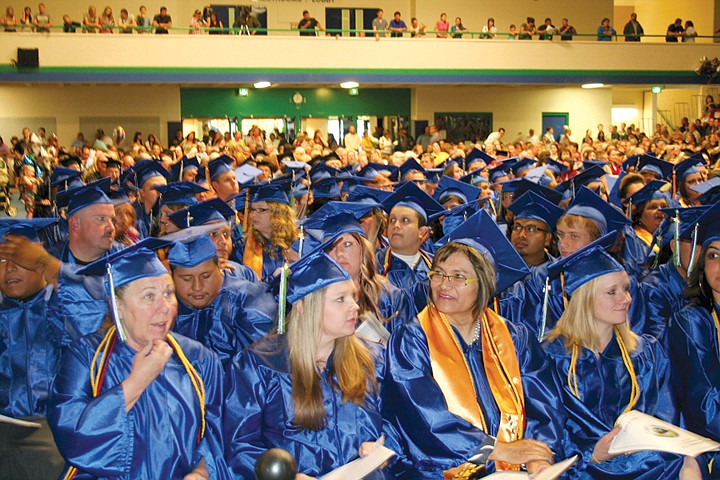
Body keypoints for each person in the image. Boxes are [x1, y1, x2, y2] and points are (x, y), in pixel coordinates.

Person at [383, 210, 564, 477]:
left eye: (458, 277)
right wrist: (495, 450)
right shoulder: (411, 340)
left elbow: (543, 406)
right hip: (436, 470)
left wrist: (538, 457)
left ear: (484, 285)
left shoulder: (515, 339)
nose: (444, 285)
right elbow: (425, 422)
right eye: (438, 273)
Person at [49, 244, 227, 479]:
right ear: (118, 306)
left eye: (168, 293)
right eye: (149, 296)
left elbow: (219, 431)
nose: (164, 308)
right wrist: (136, 382)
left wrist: (203, 472)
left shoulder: (199, 359)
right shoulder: (86, 358)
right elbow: (72, 437)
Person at [224, 249, 405, 478]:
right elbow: (239, 445)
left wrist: (383, 448)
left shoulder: (373, 358)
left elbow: (399, 421)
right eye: (341, 299)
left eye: (353, 296)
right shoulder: (258, 365)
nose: (355, 307)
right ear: (304, 306)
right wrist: (287, 476)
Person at [544, 245, 697, 478]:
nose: (625, 299)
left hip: (643, 464)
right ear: (585, 297)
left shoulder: (645, 353)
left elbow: (667, 419)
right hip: (579, 467)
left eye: (625, 289)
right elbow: (546, 430)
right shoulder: (551, 356)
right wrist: (592, 454)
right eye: (611, 292)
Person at [0, 219, 65, 480]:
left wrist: (48, 266)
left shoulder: (64, 312)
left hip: (56, 439)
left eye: (20, 258)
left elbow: (98, 308)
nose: (10, 268)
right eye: (2, 261)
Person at [167, 234, 275, 365]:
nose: (197, 287)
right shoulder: (164, 310)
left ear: (220, 268)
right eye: (186, 279)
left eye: (206, 276)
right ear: (171, 276)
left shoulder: (249, 301)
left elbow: (259, 367)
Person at [235, 184, 298, 283]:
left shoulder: (298, 244)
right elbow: (242, 288)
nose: (253, 215)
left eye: (261, 210)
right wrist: (274, 279)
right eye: (253, 210)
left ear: (278, 213)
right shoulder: (242, 248)